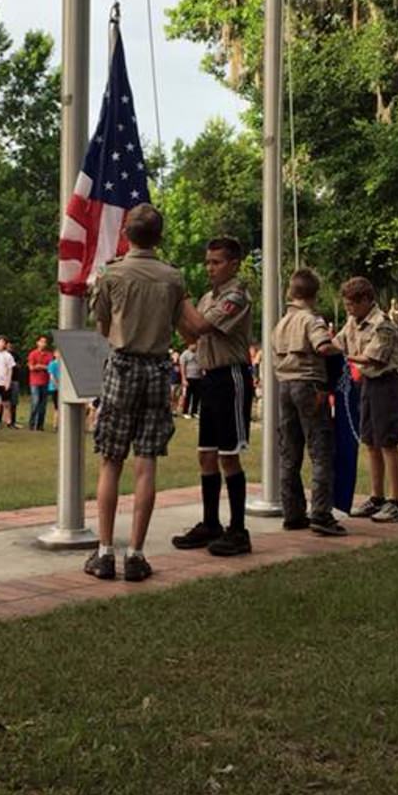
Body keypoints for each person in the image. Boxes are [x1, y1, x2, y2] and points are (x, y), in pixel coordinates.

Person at [83, 204, 187, 584]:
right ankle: (137, 554)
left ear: (127, 234)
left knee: (111, 459)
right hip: (158, 368)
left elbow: (102, 324)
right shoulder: (173, 278)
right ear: (159, 237)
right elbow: (182, 321)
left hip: (123, 367)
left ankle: (106, 551)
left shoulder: (112, 274)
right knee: (147, 462)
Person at [173, 237, 255, 557]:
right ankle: (210, 523)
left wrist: (180, 299)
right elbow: (192, 333)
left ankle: (238, 530)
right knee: (206, 454)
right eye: (207, 262)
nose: (210, 268)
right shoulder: (209, 296)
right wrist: (176, 311)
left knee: (228, 454)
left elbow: (203, 325)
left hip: (230, 377)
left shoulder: (237, 295)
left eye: (216, 262)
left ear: (233, 264)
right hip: (208, 377)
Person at [271, 269, 348, 537]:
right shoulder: (311, 320)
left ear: (292, 293)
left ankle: (292, 513)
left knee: (290, 453)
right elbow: (322, 348)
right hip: (310, 386)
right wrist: (343, 347)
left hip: (285, 387)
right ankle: (321, 514)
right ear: (315, 294)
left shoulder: (281, 323)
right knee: (321, 450)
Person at [334, 276, 398, 522]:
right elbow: (339, 342)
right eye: (346, 306)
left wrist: (346, 357)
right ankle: (376, 497)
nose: (349, 310)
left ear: (366, 300)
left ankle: (395, 501)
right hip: (366, 384)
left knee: (388, 441)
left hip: (385, 384)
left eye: (352, 305)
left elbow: (374, 358)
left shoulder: (382, 324)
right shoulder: (353, 321)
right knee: (370, 441)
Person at [26, 335, 53, 431]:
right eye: (41, 341)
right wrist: (42, 367)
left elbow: (50, 367)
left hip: (45, 382)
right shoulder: (33, 354)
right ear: (37, 343)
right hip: (35, 382)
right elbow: (31, 367)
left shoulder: (49, 354)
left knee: (43, 405)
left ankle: (40, 425)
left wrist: (39, 366)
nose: (43, 344)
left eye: (45, 342)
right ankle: (32, 423)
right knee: (35, 402)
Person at [180, 342, 202, 418]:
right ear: (189, 344)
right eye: (194, 344)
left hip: (198, 377)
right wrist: (183, 379)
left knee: (197, 396)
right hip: (189, 377)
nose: (195, 345)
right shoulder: (185, 354)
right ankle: (185, 412)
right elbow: (182, 367)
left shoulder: (198, 353)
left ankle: (194, 412)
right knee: (187, 396)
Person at [46, 352, 61, 429]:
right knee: (57, 407)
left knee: (60, 407)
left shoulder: (62, 365)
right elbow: (52, 377)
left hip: (62, 389)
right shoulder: (52, 364)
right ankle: (55, 424)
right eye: (58, 353)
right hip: (55, 388)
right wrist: (57, 386)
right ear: (55, 354)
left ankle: (59, 424)